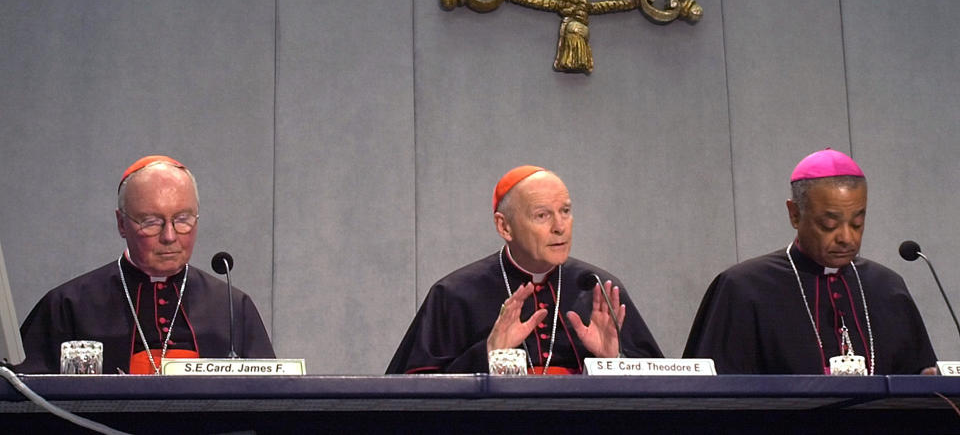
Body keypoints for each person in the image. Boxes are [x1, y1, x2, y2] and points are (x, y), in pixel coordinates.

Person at [386, 165, 661, 374]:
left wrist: (613, 362)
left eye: (565, 211)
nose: (559, 226)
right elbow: (411, 394)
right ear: (504, 227)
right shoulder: (455, 294)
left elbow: (664, 389)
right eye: (542, 215)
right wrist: (488, 354)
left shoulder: (599, 289)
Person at [683, 149, 936, 374]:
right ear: (795, 214)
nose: (847, 237)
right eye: (830, 224)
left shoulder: (888, 288)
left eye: (857, 223)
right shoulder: (743, 288)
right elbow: (713, 395)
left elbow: (923, 382)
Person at [18, 155, 274, 374]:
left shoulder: (232, 306)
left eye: (183, 219)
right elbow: (23, 398)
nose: (170, 236)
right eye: (151, 222)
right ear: (121, 224)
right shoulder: (69, 305)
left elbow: (270, 400)